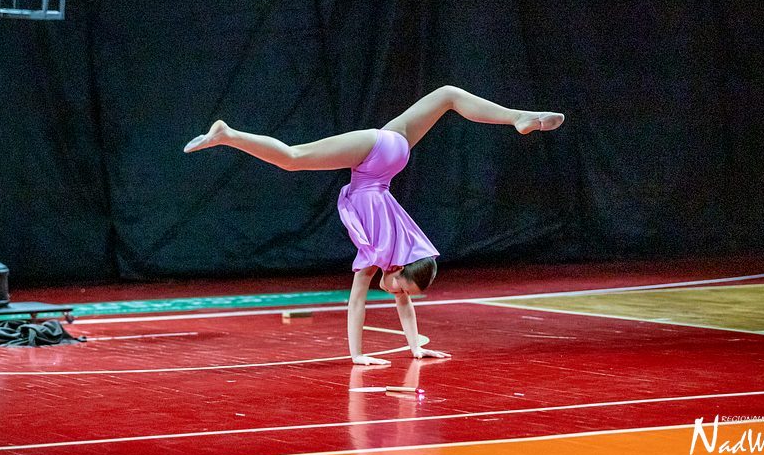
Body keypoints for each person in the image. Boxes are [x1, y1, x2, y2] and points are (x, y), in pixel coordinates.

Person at [184, 85, 564, 365]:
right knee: (293, 157)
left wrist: (416, 347)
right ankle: (228, 135)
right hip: (375, 160)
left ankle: (518, 116)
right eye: (402, 287)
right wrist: (357, 355)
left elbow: (405, 307)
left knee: (448, 95)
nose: (397, 293)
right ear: (399, 271)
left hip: (392, 155)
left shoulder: (400, 256)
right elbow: (355, 304)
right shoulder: (378, 255)